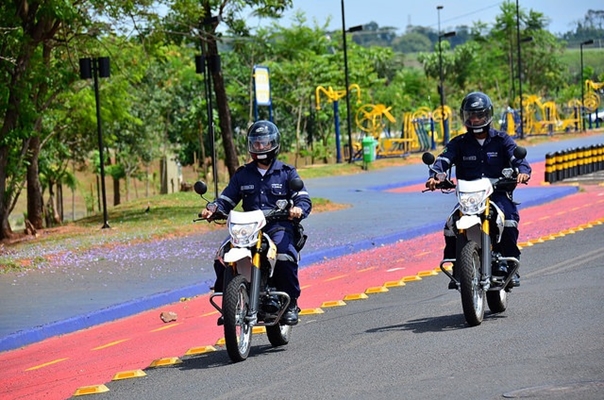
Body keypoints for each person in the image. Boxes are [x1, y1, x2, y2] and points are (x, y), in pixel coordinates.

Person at [201, 120, 312, 325]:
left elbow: (303, 198)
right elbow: (227, 199)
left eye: (264, 143)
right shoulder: (242, 175)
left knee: (284, 255)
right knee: (222, 257)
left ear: (274, 144)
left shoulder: (287, 173)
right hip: (248, 227)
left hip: (278, 226)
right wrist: (213, 209)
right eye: (256, 143)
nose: (260, 147)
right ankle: (230, 301)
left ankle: (291, 303)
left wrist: (298, 209)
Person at [425, 91, 531, 289]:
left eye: (479, 115)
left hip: (497, 194)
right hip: (469, 197)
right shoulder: (459, 143)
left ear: (488, 115)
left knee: (508, 220)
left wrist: (523, 171)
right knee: (450, 225)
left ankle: (509, 264)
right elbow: (444, 159)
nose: (474, 119)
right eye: (470, 115)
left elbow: (517, 158)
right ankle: (457, 266)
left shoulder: (502, 140)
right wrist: (434, 176)